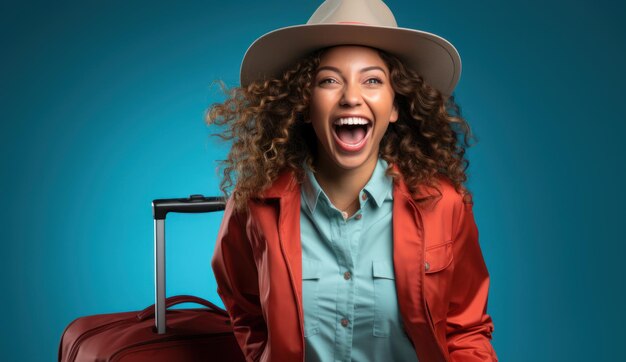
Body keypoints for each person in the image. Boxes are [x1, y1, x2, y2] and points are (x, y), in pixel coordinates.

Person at [206, 0, 498, 361]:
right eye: (329, 80)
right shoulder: (254, 204)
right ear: (305, 106)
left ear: (395, 106)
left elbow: (465, 330)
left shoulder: (446, 204)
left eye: (372, 80)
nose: (351, 97)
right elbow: (245, 309)